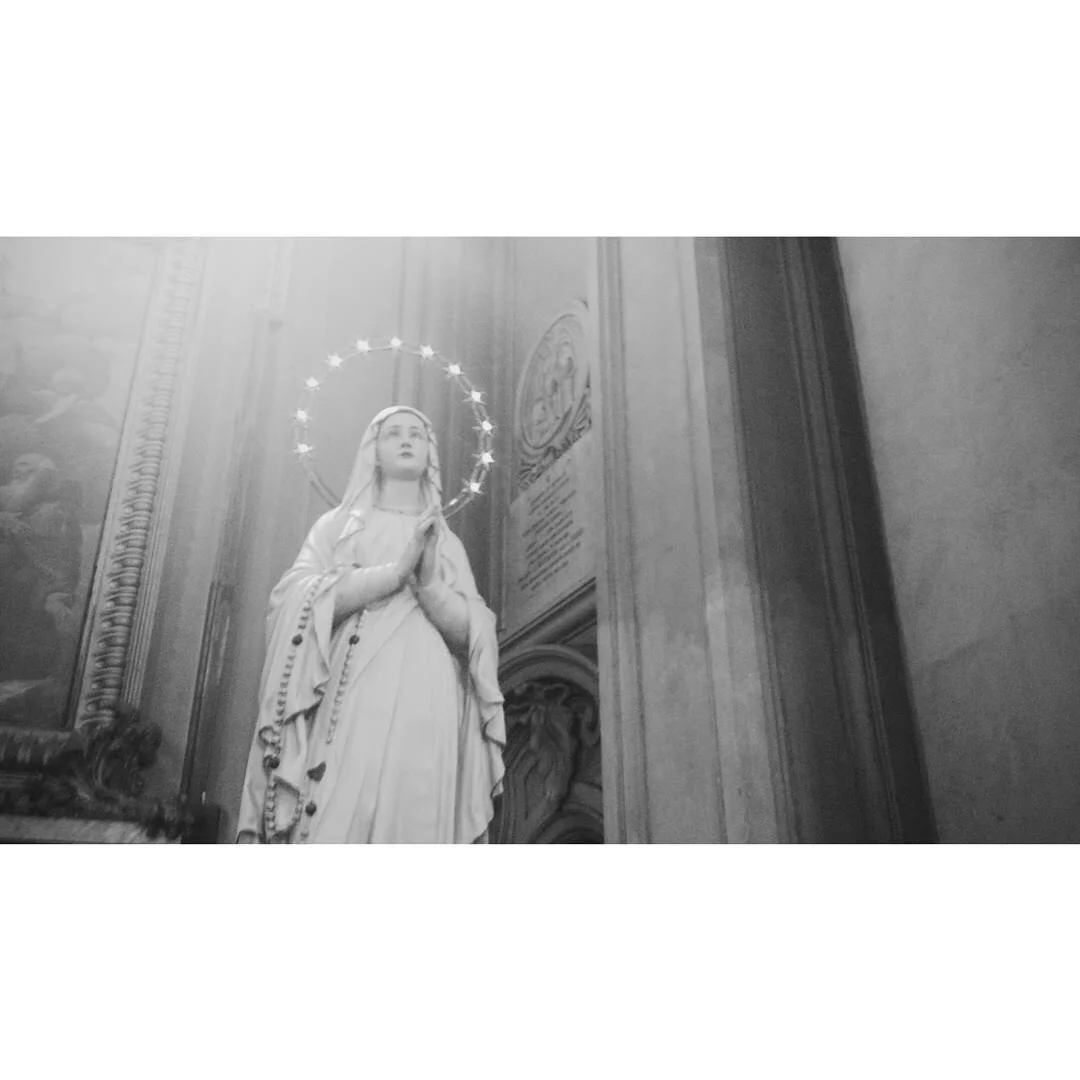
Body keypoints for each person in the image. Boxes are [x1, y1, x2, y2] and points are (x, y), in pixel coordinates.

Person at [237, 405, 505, 843]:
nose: (406, 440)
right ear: (373, 451)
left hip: (428, 693)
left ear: (430, 454)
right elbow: (292, 597)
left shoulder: (447, 542)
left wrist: (431, 586)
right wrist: (391, 574)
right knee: (339, 802)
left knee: (413, 806)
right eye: (393, 433)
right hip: (353, 684)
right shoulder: (337, 526)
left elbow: (473, 632)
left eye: (417, 434)